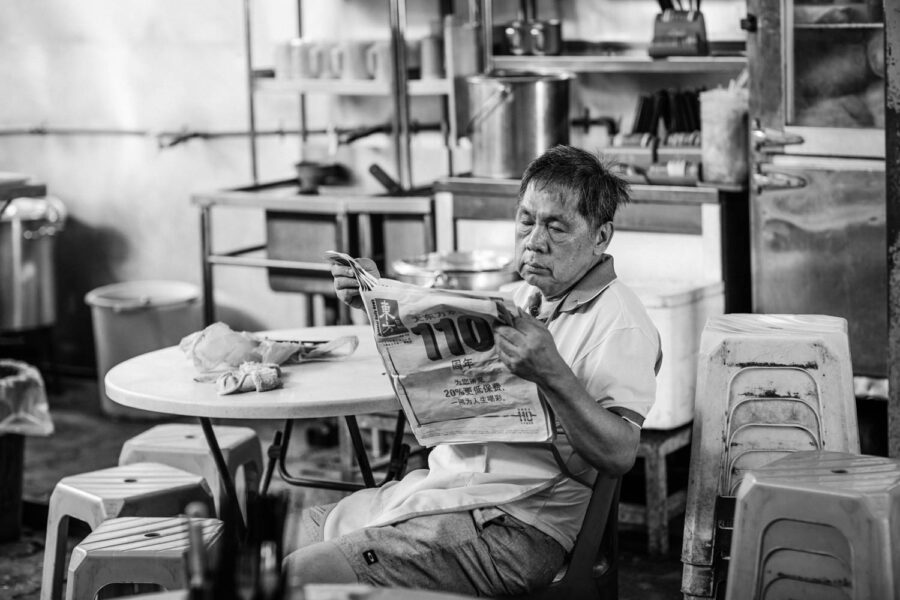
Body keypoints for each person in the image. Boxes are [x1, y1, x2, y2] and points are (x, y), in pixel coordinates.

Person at [284, 145, 661, 597]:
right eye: (526, 220)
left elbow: (620, 454)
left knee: (298, 574)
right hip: (449, 492)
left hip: (514, 524)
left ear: (601, 237)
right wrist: (375, 301)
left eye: (556, 227)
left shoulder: (620, 320)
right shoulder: (519, 299)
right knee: (289, 533)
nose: (534, 240)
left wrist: (552, 373)